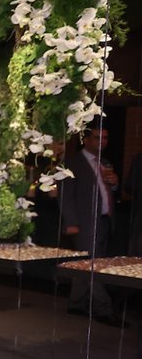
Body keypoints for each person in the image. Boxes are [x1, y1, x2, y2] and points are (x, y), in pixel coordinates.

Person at [60, 121, 118, 323]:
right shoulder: (73, 164)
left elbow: (106, 192)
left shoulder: (105, 162)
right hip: (84, 223)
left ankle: (76, 304)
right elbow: (66, 196)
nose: (102, 141)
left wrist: (115, 184)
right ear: (85, 139)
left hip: (103, 222)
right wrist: (71, 222)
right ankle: (104, 309)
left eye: (105, 138)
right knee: (94, 267)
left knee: (86, 265)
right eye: (97, 137)